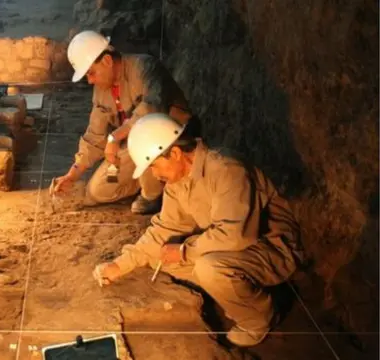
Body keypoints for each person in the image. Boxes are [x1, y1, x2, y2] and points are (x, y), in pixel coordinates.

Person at [92, 113, 305, 346]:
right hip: (231, 246)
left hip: (272, 247)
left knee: (209, 268)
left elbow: (235, 236)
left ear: (174, 153)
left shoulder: (227, 170)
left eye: (153, 165)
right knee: (158, 256)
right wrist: (120, 265)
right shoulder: (178, 181)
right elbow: (165, 228)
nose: (154, 174)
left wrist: (184, 251)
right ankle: (235, 294)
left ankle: (259, 318)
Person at [52, 30, 198, 214]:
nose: (90, 81)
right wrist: (72, 175)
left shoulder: (145, 67)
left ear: (106, 61)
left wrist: (114, 138)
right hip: (133, 146)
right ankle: (151, 178)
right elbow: (94, 135)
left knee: (144, 140)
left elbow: (152, 109)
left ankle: (152, 195)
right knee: (98, 191)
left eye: (91, 73)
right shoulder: (102, 90)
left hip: (172, 139)